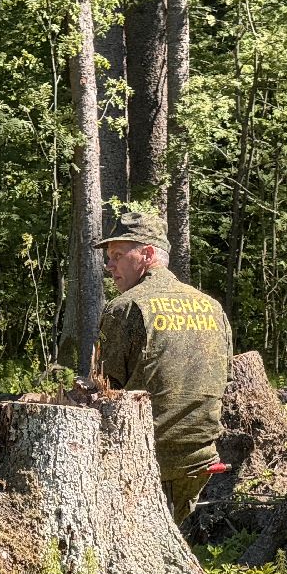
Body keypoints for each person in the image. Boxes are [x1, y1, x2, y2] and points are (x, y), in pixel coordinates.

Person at [96, 209, 233, 522]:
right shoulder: (211, 306)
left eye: (117, 255)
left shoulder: (125, 307)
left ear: (146, 255)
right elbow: (225, 375)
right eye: (108, 257)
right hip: (200, 457)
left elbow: (104, 392)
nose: (109, 265)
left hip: (142, 456)